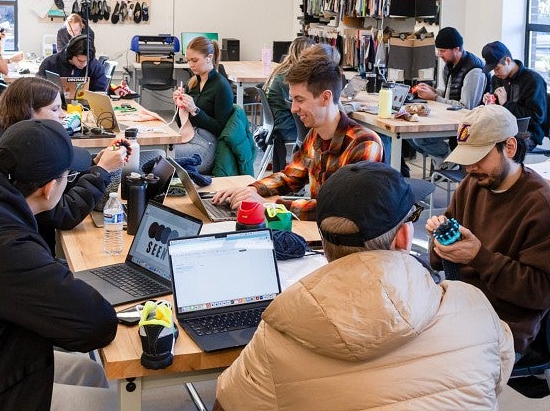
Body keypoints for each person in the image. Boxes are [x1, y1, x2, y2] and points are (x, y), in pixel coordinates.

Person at [215, 162, 514, 410]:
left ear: (325, 246)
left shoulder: (276, 337)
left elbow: (225, 404)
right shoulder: (476, 312)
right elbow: (496, 377)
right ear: (403, 238)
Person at [0, 119, 118, 410]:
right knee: (108, 402)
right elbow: (97, 326)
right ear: (50, 188)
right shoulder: (4, 245)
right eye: (69, 176)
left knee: (87, 371)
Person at [426, 104, 550, 357]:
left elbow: (541, 294)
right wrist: (440, 242)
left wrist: (479, 257)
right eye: (465, 159)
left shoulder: (540, 205)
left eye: (478, 158)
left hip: (505, 322)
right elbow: (439, 263)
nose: (469, 168)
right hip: (459, 301)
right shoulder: (472, 185)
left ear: (510, 147)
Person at [213, 54, 383, 220]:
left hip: (349, 243)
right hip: (322, 233)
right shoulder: (315, 134)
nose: (293, 109)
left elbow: (340, 209)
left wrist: (270, 206)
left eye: (299, 100)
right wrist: (252, 190)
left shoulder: (364, 144)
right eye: (292, 99)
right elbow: (290, 176)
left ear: (325, 97)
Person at [0, 76, 126, 254]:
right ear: (29, 112)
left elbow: (58, 184)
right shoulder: (22, 159)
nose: (63, 114)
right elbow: (63, 214)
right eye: (55, 109)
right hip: (33, 247)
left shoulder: (14, 143)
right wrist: (101, 172)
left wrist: (94, 165)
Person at [410, 27, 487, 168]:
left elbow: (465, 107)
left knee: (419, 137)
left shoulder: (474, 72)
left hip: (468, 124)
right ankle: (442, 163)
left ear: (456, 49)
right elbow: (448, 94)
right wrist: (433, 91)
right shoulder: (449, 66)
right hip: (448, 117)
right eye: (438, 50)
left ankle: (450, 160)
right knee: (410, 135)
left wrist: (434, 97)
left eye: (443, 51)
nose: (439, 55)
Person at [172, 36, 233, 173]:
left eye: (194, 60)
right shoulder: (192, 84)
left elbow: (221, 130)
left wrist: (195, 110)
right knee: (153, 152)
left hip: (206, 146)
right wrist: (179, 105)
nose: (190, 65)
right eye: (188, 60)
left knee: (160, 156)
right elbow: (181, 124)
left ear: (209, 57)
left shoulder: (221, 86)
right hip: (190, 138)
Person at [481, 40, 548, 151]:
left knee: (495, 149)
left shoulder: (533, 80)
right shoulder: (497, 79)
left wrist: (506, 104)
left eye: (497, 68)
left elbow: (536, 118)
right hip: (502, 127)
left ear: (507, 61)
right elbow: (498, 111)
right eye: (493, 70)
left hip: (527, 133)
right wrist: (490, 101)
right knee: (473, 137)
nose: (495, 73)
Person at [263, 36, 313, 171]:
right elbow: (297, 107)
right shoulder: (291, 76)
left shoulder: (282, 69)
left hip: (275, 124)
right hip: (285, 128)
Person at [38, 33, 108, 92]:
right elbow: (38, 89)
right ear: (70, 55)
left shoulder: (95, 66)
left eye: (87, 60)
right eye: (80, 60)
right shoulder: (50, 63)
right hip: (54, 105)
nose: (84, 64)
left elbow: (100, 91)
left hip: (87, 106)